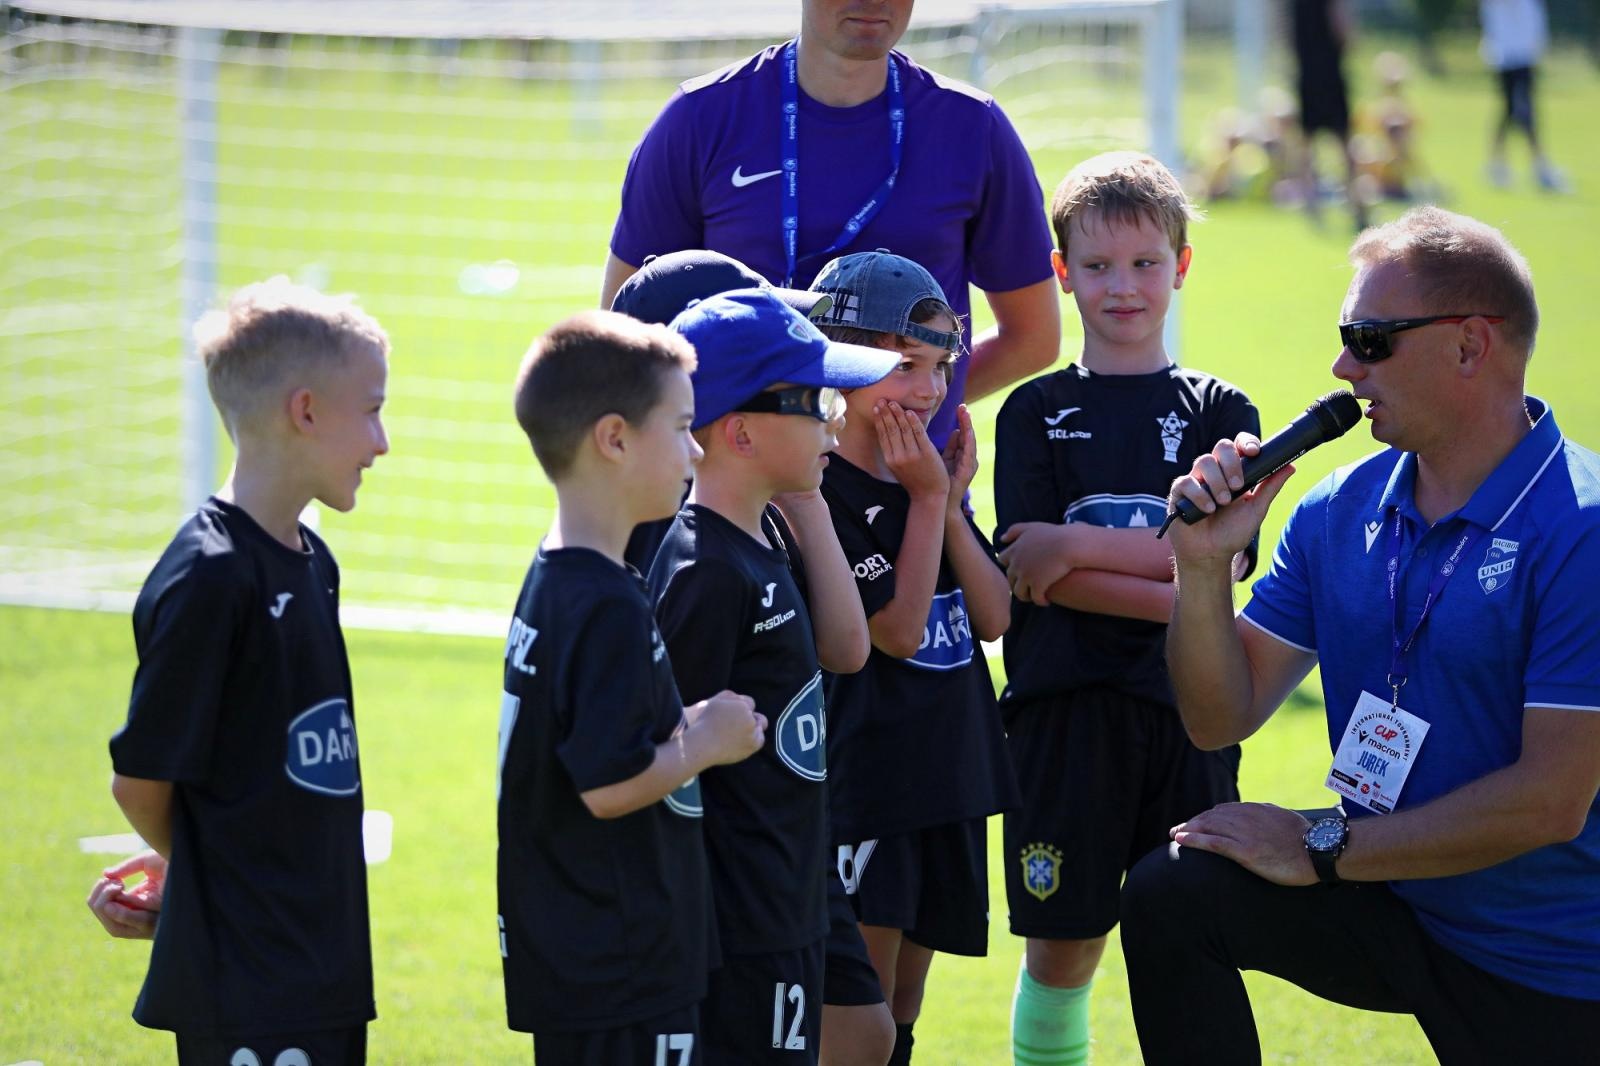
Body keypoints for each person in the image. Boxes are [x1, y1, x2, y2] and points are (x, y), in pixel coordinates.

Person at [1123, 205, 1600, 1064]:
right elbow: (1216, 717)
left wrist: (1321, 843)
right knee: (1173, 893)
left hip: (1554, 958)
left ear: (1469, 345)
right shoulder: (1337, 507)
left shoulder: (1584, 528)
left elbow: (1552, 800)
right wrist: (1199, 569)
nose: (1343, 366)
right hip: (1394, 896)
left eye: (1371, 338)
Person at [991, 151, 1260, 1066]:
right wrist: (1168, 576)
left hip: (1190, 713)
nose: (1123, 286)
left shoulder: (1223, 411)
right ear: (1062, 275)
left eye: (1146, 263)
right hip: (1063, 717)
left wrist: (1071, 546)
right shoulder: (1032, 412)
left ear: (1181, 266)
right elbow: (1030, 575)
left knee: (1187, 936)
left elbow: (1223, 572)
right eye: (1097, 266)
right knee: (1063, 949)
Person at [92, 277, 391, 1065]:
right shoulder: (211, 578)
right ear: (304, 411)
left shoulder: (311, 560)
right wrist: (208, 879)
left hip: (321, 961)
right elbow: (142, 780)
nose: (382, 441)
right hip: (250, 976)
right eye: (371, 409)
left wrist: (201, 860)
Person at [613, 255, 898, 1065]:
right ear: (737, 431)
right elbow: (670, 760)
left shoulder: (760, 533)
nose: (837, 421)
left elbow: (843, 654)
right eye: (814, 402)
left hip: (788, 881)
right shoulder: (703, 570)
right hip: (743, 906)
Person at [601, 0, 1061, 450]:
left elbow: (1032, 337)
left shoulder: (972, 126)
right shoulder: (699, 117)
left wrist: (896, 403)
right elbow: (627, 329)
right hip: (740, 493)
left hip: (904, 502)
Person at [498, 311, 768, 1064]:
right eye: (681, 426)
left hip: (581, 947)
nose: (694, 448)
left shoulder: (559, 573)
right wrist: (705, 741)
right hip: (617, 953)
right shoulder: (605, 604)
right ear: (614, 439)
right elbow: (608, 785)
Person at [808, 251, 1018, 1065]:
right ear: (840, 361)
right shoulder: (816, 487)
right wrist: (930, 500)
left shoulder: (924, 476)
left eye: (938, 367)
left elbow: (995, 617)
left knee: (905, 1005)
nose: (928, 390)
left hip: (951, 773)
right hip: (874, 783)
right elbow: (895, 633)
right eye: (904, 366)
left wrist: (948, 500)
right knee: (860, 1013)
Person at [1289, 0, 1370, 229]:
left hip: (1305, 72)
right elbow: (1342, 28)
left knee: (1306, 143)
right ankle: (1357, 204)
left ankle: (1310, 204)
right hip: (1330, 71)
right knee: (1345, 142)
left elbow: (1285, 31)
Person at [1481, 0, 1569, 191]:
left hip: (1525, 56)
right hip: (1506, 57)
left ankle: (1510, 164)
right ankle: (1532, 166)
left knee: (1519, 111)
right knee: (1516, 110)